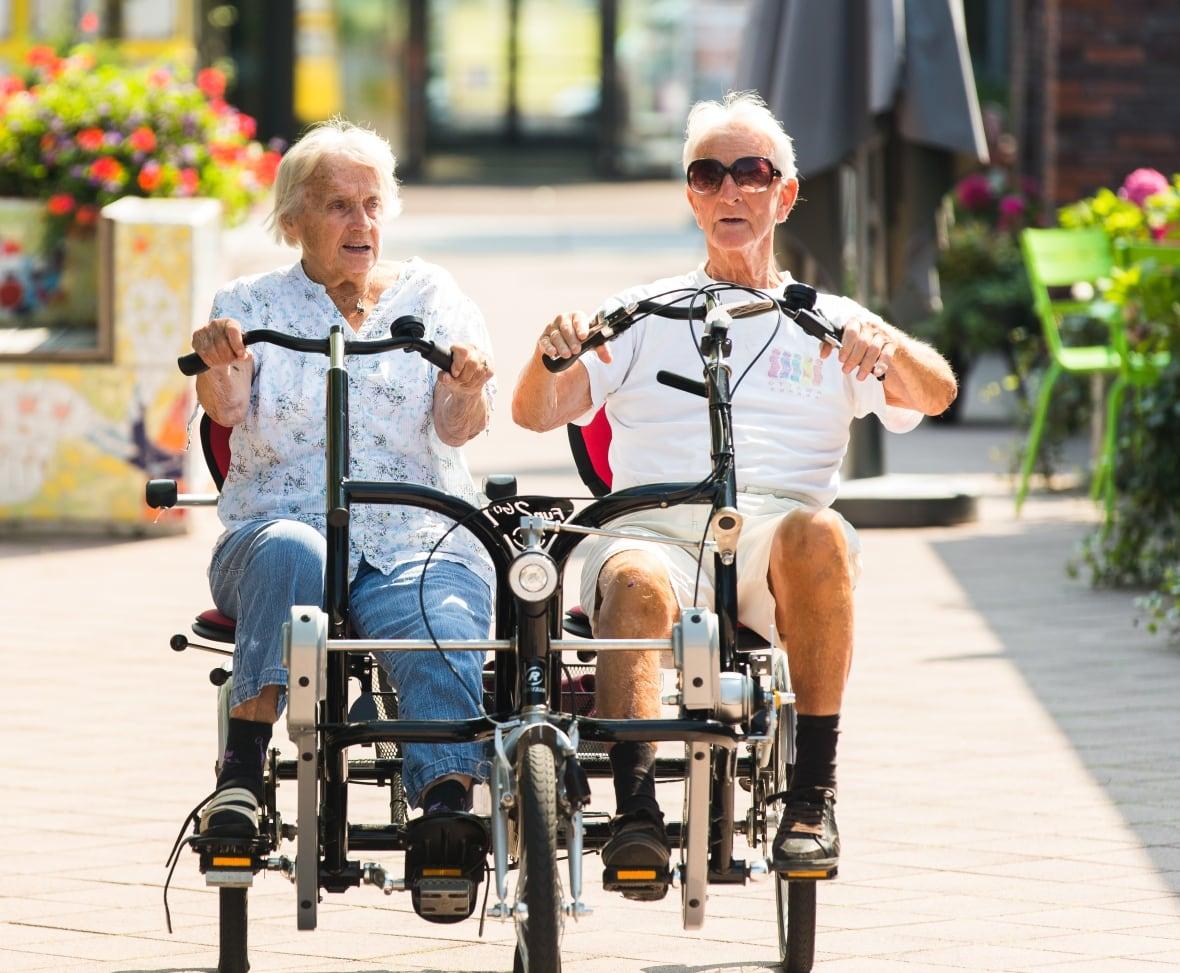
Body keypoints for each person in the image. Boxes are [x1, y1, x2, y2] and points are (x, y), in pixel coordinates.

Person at [512, 92, 956, 895]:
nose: (730, 190)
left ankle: (812, 795)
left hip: (774, 536)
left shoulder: (830, 319)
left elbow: (937, 391)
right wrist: (549, 355)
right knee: (634, 575)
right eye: (708, 174)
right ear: (690, 195)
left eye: (751, 172)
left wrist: (886, 346)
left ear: (785, 194)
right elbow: (534, 413)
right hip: (653, 528)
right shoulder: (638, 312)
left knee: (822, 532)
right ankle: (637, 810)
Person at [188, 120, 495, 908]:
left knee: (439, 603)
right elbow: (225, 407)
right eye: (337, 206)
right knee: (295, 549)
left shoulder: (432, 297)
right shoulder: (249, 303)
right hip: (276, 532)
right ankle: (241, 774)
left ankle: (446, 808)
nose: (361, 223)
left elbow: (458, 428)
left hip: (414, 531)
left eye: (372, 204)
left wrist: (465, 385)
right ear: (293, 219)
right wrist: (218, 361)